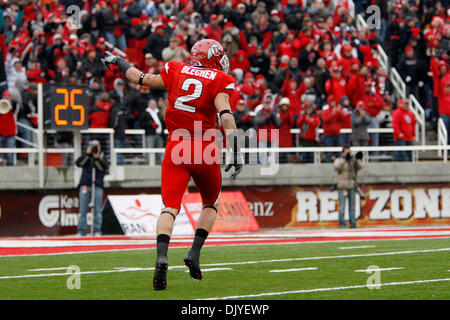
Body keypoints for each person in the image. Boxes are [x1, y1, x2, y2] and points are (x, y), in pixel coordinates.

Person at [103, 39, 241, 291]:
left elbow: (139, 77)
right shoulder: (221, 79)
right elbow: (226, 114)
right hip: (205, 146)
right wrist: (237, 148)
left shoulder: (175, 68)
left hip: (176, 145)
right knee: (210, 204)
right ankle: (194, 254)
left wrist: (118, 61)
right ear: (212, 57)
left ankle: (161, 256)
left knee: (170, 207)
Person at [75, 140, 109, 236]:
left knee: (97, 210)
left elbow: (104, 168)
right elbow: (78, 163)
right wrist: (88, 154)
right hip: (85, 185)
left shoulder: (102, 157)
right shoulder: (86, 157)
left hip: (97, 186)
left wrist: (96, 158)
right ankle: (81, 231)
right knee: (83, 210)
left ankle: (97, 230)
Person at [334, 146, 363, 228]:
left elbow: (360, 167)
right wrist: (344, 159)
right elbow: (337, 167)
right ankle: (342, 223)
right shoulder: (339, 160)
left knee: (352, 206)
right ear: (342, 153)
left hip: (352, 185)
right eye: (346, 152)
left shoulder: (352, 161)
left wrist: (358, 159)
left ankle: (353, 223)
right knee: (342, 206)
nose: (348, 154)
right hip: (343, 186)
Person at [139, 99, 166, 164]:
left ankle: (159, 164)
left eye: (154, 104)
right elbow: (142, 123)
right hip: (150, 134)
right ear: (149, 105)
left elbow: (163, 123)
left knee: (159, 150)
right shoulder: (145, 113)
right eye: (152, 104)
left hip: (159, 134)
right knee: (150, 150)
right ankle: (149, 164)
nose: (154, 105)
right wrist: (151, 125)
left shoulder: (158, 113)